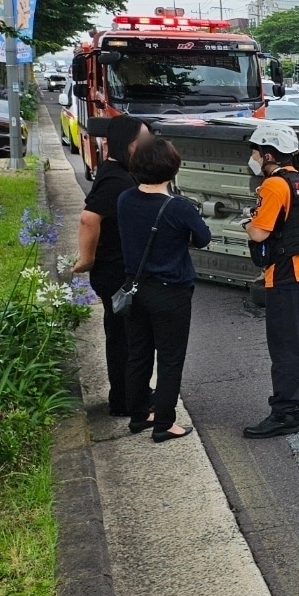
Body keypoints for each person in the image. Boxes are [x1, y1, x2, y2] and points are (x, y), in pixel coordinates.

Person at [116, 138, 211, 442]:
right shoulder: (178, 207)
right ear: (172, 168)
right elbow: (203, 238)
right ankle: (165, 423)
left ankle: (140, 415)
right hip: (171, 292)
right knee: (170, 358)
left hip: (135, 288)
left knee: (138, 354)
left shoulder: (125, 200)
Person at [242, 123, 299, 438]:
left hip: (289, 275)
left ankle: (284, 413)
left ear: (267, 155)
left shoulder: (274, 186)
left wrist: (248, 221)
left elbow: (260, 233)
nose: (252, 157)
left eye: (254, 151)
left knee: (285, 347)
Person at [73, 116, 154, 416]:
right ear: (128, 145)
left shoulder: (116, 172)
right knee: (126, 339)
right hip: (115, 272)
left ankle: (133, 393)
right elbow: (88, 217)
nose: (147, 148)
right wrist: (87, 259)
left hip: (117, 269)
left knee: (126, 336)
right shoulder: (117, 179)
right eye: (143, 143)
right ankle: (125, 400)